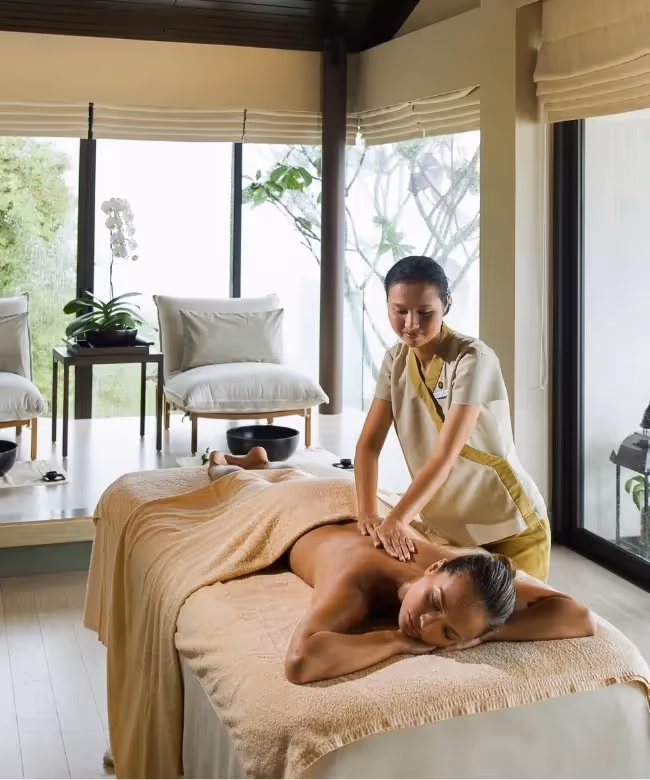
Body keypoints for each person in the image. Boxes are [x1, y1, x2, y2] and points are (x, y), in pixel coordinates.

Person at [207, 449, 595, 685]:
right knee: (233, 483)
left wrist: (480, 636)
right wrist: (397, 642)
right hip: (299, 511)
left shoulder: (468, 585)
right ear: (437, 566)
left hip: (344, 502)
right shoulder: (356, 583)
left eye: (447, 631)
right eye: (435, 602)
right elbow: (300, 661)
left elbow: (578, 617)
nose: (425, 624)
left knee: (286, 475)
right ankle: (229, 463)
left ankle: (264, 462)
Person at [355, 256, 551, 581]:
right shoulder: (394, 361)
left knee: (518, 612)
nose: (411, 324)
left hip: (511, 525)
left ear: (446, 304)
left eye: (424, 312)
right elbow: (368, 446)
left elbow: (444, 457)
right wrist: (367, 513)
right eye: (399, 310)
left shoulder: (473, 359)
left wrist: (398, 520)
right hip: (450, 531)